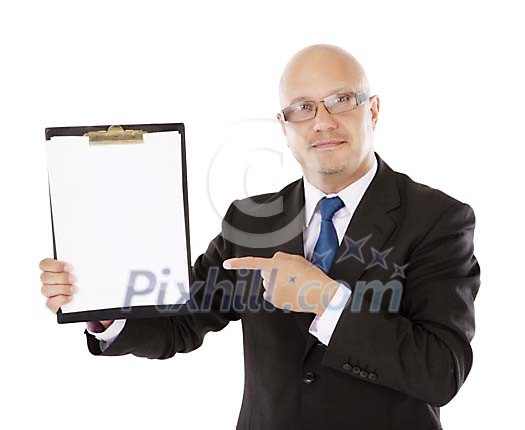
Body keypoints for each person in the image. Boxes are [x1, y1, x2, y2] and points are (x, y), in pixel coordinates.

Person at [39, 44, 480, 429]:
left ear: (374, 110)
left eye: (341, 100)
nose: (321, 122)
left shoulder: (438, 219)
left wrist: (326, 300)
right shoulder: (251, 221)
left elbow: (441, 371)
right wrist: (97, 303)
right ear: (284, 126)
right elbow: (183, 318)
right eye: (302, 108)